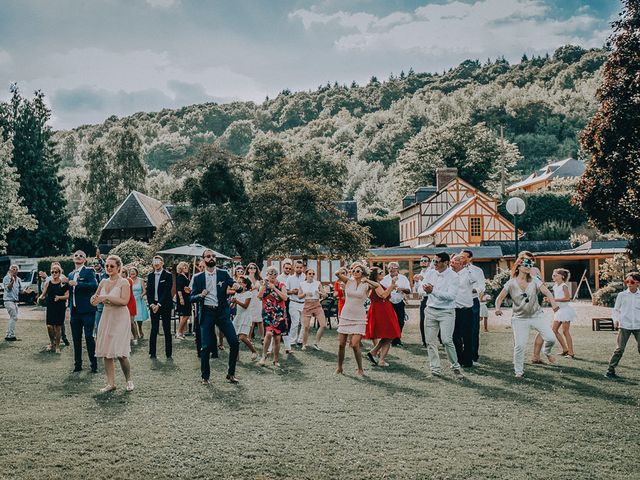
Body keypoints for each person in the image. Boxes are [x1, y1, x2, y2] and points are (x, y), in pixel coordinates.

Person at [494, 256, 560, 378]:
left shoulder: (535, 280)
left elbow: (547, 292)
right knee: (519, 345)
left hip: (537, 316)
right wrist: (497, 308)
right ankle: (518, 371)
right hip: (519, 319)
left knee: (551, 338)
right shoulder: (511, 283)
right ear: (519, 266)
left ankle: (546, 351)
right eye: (526, 265)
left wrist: (554, 303)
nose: (529, 267)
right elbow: (499, 298)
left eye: (530, 265)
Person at [189, 249, 239, 384]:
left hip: (222, 312)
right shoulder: (198, 277)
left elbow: (233, 284)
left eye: (213, 256)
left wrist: (236, 285)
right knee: (205, 346)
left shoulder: (223, 273)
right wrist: (200, 295)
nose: (211, 258)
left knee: (234, 342)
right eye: (208, 256)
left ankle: (231, 374)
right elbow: (191, 298)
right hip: (207, 313)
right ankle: (205, 377)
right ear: (203, 259)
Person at [92, 255, 134, 393]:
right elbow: (95, 299)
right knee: (107, 352)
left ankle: (128, 380)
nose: (109, 268)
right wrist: (94, 299)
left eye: (112, 266)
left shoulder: (124, 282)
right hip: (106, 316)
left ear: (118, 267)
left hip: (120, 317)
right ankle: (111, 383)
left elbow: (124, 301)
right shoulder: (103, 282)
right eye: (107, 266)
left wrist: (107, 297)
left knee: (120, 352)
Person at [418, 252, 465, 379]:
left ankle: (455, 367)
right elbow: (420, 290)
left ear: (446, 263)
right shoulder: (431, 273)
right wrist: (425, 290)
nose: (434, 264)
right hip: (430, 310)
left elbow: (451, 296)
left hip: (446, 312)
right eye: (433, 261)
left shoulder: (453, 276)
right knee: (430, 341)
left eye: (436, 262)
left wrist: (433, 291)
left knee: (446, 340)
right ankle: (435, 369)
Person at [334, 263, 379, 376]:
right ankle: (339, 367)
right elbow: (337, 274)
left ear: (362, 273)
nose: (355, 272)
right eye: (353, 270)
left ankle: (360, 369)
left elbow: (377, 286)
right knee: (341, 344)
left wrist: (367, 280)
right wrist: (343, 268)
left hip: (359, 316)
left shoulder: (366, 285)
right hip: (346, 314)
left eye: (358, 271)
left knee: (354, 344)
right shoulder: (349, 281)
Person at [605, 272, 640, 379]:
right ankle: (610, 371)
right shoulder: (622, 295)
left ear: (638, 283)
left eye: (632, 282)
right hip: (624, 325)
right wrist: (615, 320)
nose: (629, 284)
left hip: (639, 326)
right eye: (627, 281)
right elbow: (615, 310)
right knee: (619, 349)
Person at [68, 251, 99, 373]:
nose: (78, 257)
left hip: (87, 310)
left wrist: (78, 283)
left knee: (88, 337)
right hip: (74, 311)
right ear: (73, 258)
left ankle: (93, 364)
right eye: (76, 255)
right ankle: (77, 365)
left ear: (85, 259)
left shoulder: (89, 271)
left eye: (81, 256)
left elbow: (94, 285)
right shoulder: (70, 274)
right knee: (76, 338)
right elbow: (70, 291)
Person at [365, 267, 401, 367]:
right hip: (382, 311)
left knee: (388, 335)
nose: (383, 273)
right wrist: (392, 285)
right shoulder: (375, 285)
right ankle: (380, 360)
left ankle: (374, 353)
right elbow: (383, 295)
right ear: (376, 275)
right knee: (389, 334)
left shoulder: (376, 284)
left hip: (384, 309)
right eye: (381, 272)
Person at [258, 266, 289, 367]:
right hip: (268, 313)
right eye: (270, 274)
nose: (272, 276)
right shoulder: (264, 285)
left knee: (277, 338)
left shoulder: (281, 285)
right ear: (267, 274)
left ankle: (276, 360)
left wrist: (274, 288)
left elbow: (285, 298)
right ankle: (263, 356)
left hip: (279, 314)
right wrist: (264, 285)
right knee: (269, 334)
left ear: (277, 275)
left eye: (274, 274)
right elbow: (259, 297)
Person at [450, 255, 477, 368]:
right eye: (451, 262)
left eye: (454, 262)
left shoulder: (468, 273)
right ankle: (458, 359)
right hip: (453, 309)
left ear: (461, 264)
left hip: (466, 309)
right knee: (454, 335)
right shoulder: (450, 275)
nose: (451, 264)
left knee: (467, 336)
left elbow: (475, 280)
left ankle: (467, 360)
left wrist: (467, 266)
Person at [460, 250, 486, 362]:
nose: (462, 259)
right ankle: (461, 353)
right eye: (461, 256)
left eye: (464, 257)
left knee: (474, 329)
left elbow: (482, 285)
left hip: (472, 300)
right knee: (459, 329)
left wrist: (475, 289)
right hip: (459, 302)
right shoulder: (456, 270)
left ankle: (473, 354)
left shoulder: (477, 270)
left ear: (470, 258)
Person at [146, 255, 174, 360]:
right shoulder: (150, 276)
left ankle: (168, 353)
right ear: (153, 263)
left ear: (162, 263)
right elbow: (149, 292)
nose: (156, 263)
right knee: (154, 329)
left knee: (167, 329)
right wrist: (152, 304)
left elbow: (167, 291)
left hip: (165, 305)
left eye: (158, 261)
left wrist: (159, 304)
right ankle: (152, 353)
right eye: (154, 261)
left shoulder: (168, 275)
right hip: (154, 305)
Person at [38, 264, 69, 353]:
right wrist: (40, 298)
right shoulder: (48, 283)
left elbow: (67, 296)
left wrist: (59, 297)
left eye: (56, 272)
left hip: (60, 307)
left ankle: (58, 346)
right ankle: (52, 343)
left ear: (60, 273)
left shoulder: (63, 283)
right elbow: (43, 294)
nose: (54, 273)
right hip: (50, 306)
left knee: (58, 327)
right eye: (52, 272)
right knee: (49, 326)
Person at [381, 262, 410, 347]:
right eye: (390, 267)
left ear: (398, 269)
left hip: (399, 302)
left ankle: (396, 339)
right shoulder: (384, 279)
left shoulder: (403, 278)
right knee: (389, 322)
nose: (392, 269)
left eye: (394, 267)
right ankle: (389, 339)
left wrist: (402, 289)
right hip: (388, 303)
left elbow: (409, 290)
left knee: (400, 321)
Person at [298, 268, 328, 351]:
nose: (311, 275)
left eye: (313, 274)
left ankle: (316, 343)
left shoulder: (318, 283)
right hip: (307, 305)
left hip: (317, 305)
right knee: (306, 327)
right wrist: (305, 294)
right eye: (310, 274)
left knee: (323, 325)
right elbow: (299, 296)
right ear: (306, 275)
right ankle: (304, 344)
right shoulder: (302, 284)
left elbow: (325, 295)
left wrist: (320, 293)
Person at [550, 268, 577, 358]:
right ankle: (565, 349)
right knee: (554, 330)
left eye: (555, 275)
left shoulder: (564, 286)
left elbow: (568, 298)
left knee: (565, 332)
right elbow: (556, 299)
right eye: (553, 275)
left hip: (565, 310)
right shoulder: (555, 286)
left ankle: (571, 353)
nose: (553, 276)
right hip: (559, 310)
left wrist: (554, 299)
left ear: (562, 276)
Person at [231, 276, 258, 360]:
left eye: (240, 282)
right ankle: (236, 356)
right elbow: (232, 306)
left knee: (242, 337)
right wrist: (232, 303)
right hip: (238, 316)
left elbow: (245, 306)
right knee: (234, 338)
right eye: (237, 282)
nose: (238, 284)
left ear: (245, 284)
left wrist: (237, 301)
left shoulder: (248, 293)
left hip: (246, 316)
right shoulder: (236, 293)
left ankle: (254, 351)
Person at [3, 265, 32, 341]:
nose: (15, 270)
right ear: (10, 270)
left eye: (16, 269)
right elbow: (8, 288)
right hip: (8, 301)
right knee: (14, 317)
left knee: (13, 318)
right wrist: (12, 281)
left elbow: (20, 290)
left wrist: (26, 292)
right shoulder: (6, 278)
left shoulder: (18, 279)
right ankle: (10, 335)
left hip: (15, 301)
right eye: (13, 269)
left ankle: (9, 334)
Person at [285, 260, 306, 349]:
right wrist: (292, 291)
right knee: (295, 322)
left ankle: (300, 340)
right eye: (297, 267)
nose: (299, 269)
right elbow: (286, 291)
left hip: (304, 303)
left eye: (300, 268)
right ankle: (292, 341)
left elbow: (309, 289)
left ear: (303, 268)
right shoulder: (290, 278)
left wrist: (300, 291)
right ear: (294, 267)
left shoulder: (305, 277)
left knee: (304, 323)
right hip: (293, 303)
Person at [413, 256, 431, 347]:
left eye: (425, 261)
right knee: (422, 320)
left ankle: (438, 338)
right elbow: (416, 289)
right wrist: (416, 281)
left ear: (429, 263)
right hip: (423, 299)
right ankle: (424, 341)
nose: (423, 262)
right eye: (421, 261)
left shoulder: (431, 272)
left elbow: (430, 284)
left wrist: (422, 279)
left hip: (430, 298)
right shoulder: (420, 273)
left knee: (432, 320)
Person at [246, 263, 264, 343]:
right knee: (251, 320)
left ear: (256, 269)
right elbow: (244, 290)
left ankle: (263, 337)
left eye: (254, 268)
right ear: (248, 269)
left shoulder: (259, 279)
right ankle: (249, 338)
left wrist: (261, 286)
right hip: (249, 299)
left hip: (258, 300)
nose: (252, 269)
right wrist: (254, 288)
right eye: (251, 267)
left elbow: (262, 289)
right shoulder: (245, 278)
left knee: (260, 320)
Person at [121, 268, 139, 345]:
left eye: (123, 272)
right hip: (122, 303)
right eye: (121, 272)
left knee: (131, 321)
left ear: (126, 273)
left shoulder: (129, 281)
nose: (122, 274)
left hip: (130, 302)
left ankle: (135, 337)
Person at [129, 267, 148, 339]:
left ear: (136, 272)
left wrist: (141, 295)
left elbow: (144, 291)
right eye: (131, 272)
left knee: (139, 317)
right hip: (131, 300)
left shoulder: (141, 280)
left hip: (139, 300)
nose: (132, 273)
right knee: (132, 319)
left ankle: (140, 329)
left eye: (134, 271)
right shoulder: (128, 280)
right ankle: (135, 334)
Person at [175, 261, 192, 340]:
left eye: (187, 267)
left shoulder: (185, 276)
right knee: (186, 315)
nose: (187, 268)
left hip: (187, 297)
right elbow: (179, 289)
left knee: (186, 315)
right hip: (183, 298)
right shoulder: (180, 277)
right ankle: (178, 332)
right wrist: (181, 299)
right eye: (185, 267)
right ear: (181, 268)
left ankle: (181, 332)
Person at [93, 261, 109, 337]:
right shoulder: (91, 273)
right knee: (97, 322)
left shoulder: (106, 273)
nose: (95, 265)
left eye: (97, 263)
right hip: (97, 301)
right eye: (94, 264)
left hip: (108, 300)